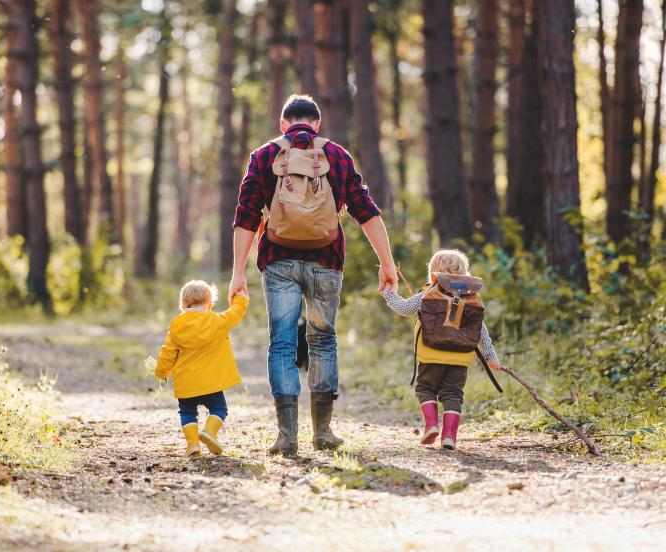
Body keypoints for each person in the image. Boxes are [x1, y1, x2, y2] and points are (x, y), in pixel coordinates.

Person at [229, 94, 398, 456]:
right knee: (323, 341)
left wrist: (237, 273)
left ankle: (286, 436)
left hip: (278, 262)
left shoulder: (264, 156)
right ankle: (323, 432)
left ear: (282, 124)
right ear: (317, 124)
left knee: (282, 344)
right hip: (326, 262)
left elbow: (246, 216)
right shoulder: (336, 155)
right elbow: (365, 211)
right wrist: (387, 263)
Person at [382, 249, 500, 450]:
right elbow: (480, 330)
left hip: (431, 354)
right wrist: (491, 356)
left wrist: (387, 293)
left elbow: (403, 309)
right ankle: (449, 438)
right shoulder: (471, 297)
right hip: (460, 358)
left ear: (434, 273)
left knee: (425, 389)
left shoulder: (428, 292)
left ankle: (431, 425)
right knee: (453, 394)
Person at [155, 280, 249, 457]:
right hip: (211, 383)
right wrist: (241, 299)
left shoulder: (177, 325)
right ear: (210, 303)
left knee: (187, 413)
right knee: (219, 409)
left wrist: (161, 371)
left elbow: (168, 352)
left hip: (186, 383)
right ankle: (209, 432)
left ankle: (193, 445)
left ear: (183, 304)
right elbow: (234, 314)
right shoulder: (216, 320)